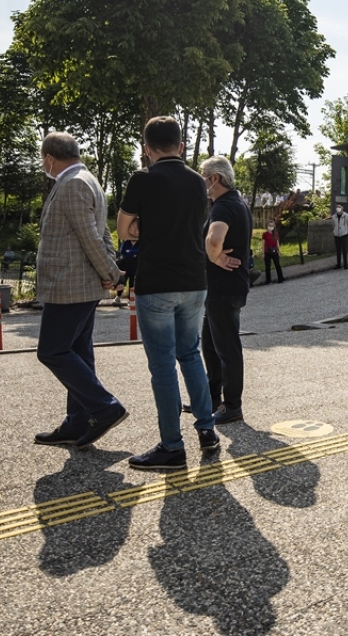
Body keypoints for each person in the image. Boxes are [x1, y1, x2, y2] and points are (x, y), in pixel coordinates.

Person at [117, 116, 217, 471]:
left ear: (147, 148)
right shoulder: (197, 181)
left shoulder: (143, 178)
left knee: (162, 364)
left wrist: (143, 229)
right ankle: (207, 430)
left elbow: (124, 229)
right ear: (181, 146)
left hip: (157, 281)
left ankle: (172, 446)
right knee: (190, 355)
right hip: (194, 280)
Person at [31, 131, 128, 451]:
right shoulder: (90, 180)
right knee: (79, 353)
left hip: (69, 285)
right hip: (81, 284)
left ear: (49, 158)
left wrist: (111, 275)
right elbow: (104, 235)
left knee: (52, 351)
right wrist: (109, 270)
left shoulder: (72, 183)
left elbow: (90, 238)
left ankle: (103, 407)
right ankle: (76, 422)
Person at [199, 156, 252, 426]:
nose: (203, 183)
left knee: (227, 348)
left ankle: (232, 406)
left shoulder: (223, 206)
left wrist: (215, 257)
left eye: (204, 177)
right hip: (225, 288)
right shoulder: (236, 202)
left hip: (224, 288)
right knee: (210, 343)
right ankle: (212, 399)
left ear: (215, 178)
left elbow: (214, 239)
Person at [114, 238, 138, 303]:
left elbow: (139, 252)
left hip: (135, 266)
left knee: (132, 282)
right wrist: (133, 253)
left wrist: (129, 252)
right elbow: (122, 251)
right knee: (122, 281)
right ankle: (118, 296)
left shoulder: (140, 243)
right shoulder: (126, 242)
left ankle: (131, 299)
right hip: (125, 265)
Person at [332, 205, 348, 269]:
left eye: (339, 207)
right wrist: (335, 230)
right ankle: (338, 264)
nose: (338, 209)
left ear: (342, 208)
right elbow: (333, 225)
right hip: (336, 235)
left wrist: (345, 230)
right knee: (338, 250)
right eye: (337, 207)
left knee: (344, 250)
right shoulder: (334, 217)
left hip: (344, 235)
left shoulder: (346, 216)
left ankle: (345, 264)